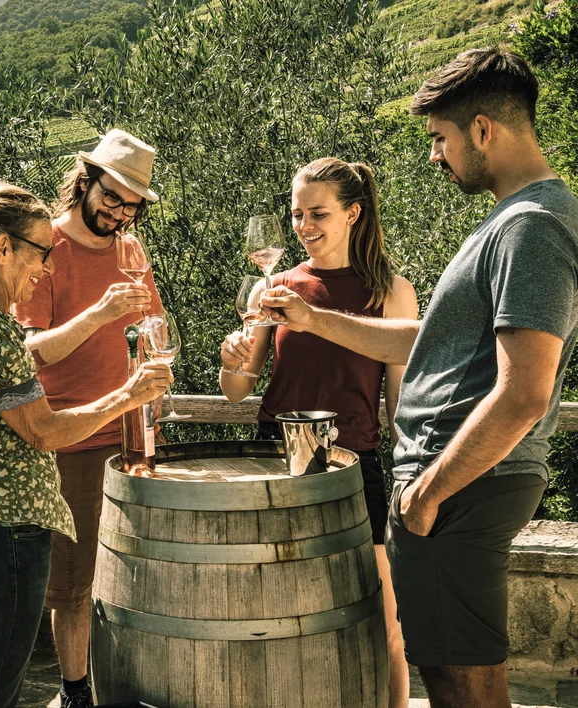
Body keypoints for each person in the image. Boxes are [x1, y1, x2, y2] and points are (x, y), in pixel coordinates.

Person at [260, 47, 578, 708]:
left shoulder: (532, 226)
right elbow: (430, 341)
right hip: (457, 484)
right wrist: (311, 318)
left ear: (483, 130)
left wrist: (428, 493)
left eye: (440, 138)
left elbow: (525, 389)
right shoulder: (514, 221)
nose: (433, 155)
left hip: (461, 485)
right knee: (450, 680)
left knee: (463, 689)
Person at [0, 129, 166, 708]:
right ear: (3, 248)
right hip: (6, 529)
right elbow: (42, 430)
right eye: (39, 254)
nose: (44, 267)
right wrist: (128, 393)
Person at [218, 156, 418, 708]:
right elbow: (238, 388)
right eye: (297, 214)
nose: (304, 226)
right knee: (270, 616)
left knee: (385, 624)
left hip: (355, 468)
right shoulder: (276, 287)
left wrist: (410, 477)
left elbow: (401, 403)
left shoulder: (391, 291)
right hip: (273, 464)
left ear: (354, 213)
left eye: (318, 213)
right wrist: (230, 357)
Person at [12, 129, 165, 708]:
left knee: (128, 574)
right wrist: (100, 313)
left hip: (131, 431)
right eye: (113, 196)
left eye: (132, 204)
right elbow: (27, 348)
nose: (120, 212)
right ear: (87, 181)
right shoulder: (47, 247)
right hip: (70, 436)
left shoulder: (130, 249)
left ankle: (115, 685)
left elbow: (149, 326)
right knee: (74, 586)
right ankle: (76, 693)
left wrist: (152, 381)